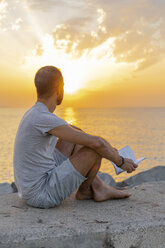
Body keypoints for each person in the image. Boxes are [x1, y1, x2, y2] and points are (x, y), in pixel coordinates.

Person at [13, 65, 138, 209]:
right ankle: (86, 191)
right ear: (60, 90)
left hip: (31, 188)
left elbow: (76, 132)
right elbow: (96, 143)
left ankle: (97, 188)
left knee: (77, 140)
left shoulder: (35, 113)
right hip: (41, 194)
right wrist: (120, 161)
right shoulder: (43, 118)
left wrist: (108, 149)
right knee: (93, 149)